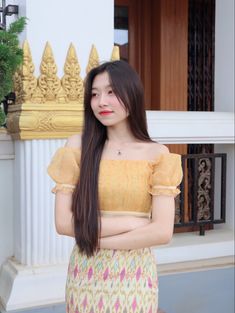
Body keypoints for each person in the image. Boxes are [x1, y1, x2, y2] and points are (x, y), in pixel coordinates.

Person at [47, 60, 183, 313]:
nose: (102, 102)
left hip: (135, 275)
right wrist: (134, 224)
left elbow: (162, 232)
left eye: (111, 92)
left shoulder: (158, 154)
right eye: (95, 94)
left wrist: (91, 239)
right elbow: (64, 224)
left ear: (132, 94)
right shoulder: (76, 147)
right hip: (86, 275)